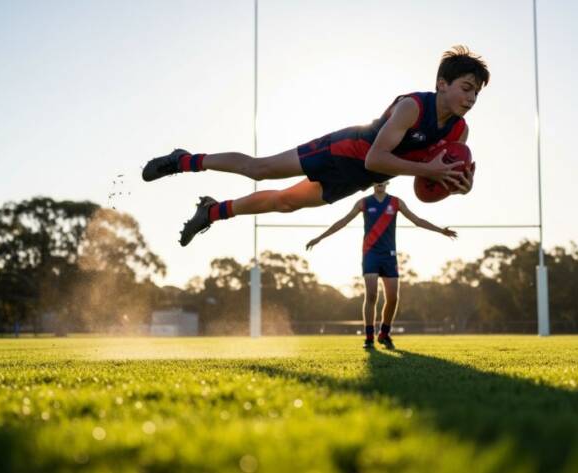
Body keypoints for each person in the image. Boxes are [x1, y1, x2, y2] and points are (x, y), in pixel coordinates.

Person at [141, 45, 488, 246]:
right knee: (260, 169)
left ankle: (211, 212)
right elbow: (375, 157)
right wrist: (429, 170)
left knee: (285, 203)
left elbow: (425, 184)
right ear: (442, 84)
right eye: (466, 87)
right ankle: (185, 160)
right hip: (344, 149)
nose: (471, 97)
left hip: (358, 179)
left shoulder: (459, 133)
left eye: (476, 92)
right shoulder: (412, 106)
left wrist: (457, 186)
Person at [305, 181, 457, 349]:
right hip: (370, 254)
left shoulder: (396, 202)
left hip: (389, 255)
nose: (380, 183)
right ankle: (369, 338)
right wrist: (320, 237)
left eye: (383, 180)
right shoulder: (363, 202)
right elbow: (343, 221)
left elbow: (417, 220)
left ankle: (384, 334)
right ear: (372, 182)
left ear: (388, 182)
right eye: (377, 180)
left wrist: (441, 230)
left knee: (392, 298)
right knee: (371, 296)